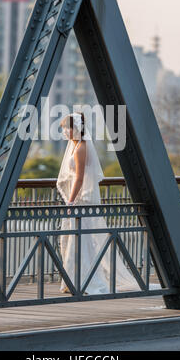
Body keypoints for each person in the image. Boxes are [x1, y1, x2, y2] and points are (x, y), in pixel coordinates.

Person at [56, 112, 145, 295]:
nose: (65, 131)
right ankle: (72, 281)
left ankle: (85, 281)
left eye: (67, 127)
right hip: (79, 198)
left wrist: (70, 202)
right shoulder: (75, 145)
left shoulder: (82, 147)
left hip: (82, 200)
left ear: (76, 128)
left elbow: (79, 178)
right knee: (75, 240)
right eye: (64, 128)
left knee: (82, 240)